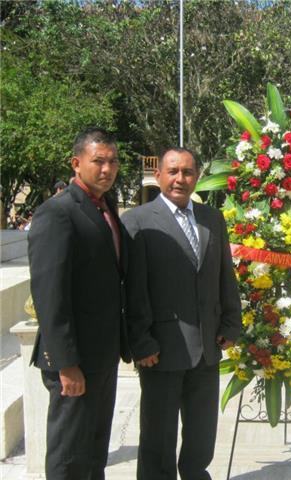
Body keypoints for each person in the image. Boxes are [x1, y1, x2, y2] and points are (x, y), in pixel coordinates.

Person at [122, 147, 242, 480]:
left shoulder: (211, 218)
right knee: (158, 436)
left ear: (197, 177)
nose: (180, 179)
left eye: (187, 172)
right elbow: (133, 290)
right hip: (161, 350)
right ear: (158, 175)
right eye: (173, 171)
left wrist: (232, 324)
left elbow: (223, 275)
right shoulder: (137, 220)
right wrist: (141, 342)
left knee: (202, 433)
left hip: (206, 347)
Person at [28, 127, 129, 479]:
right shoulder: (57, 213)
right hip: (74, 360)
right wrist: (66, 364)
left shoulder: (105, 206)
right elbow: (50, 295)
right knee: (69, 454)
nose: (107, 169)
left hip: (103, 354)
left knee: (94, 450)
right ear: (76, 163)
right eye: (98, 161)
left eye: (113, 161)